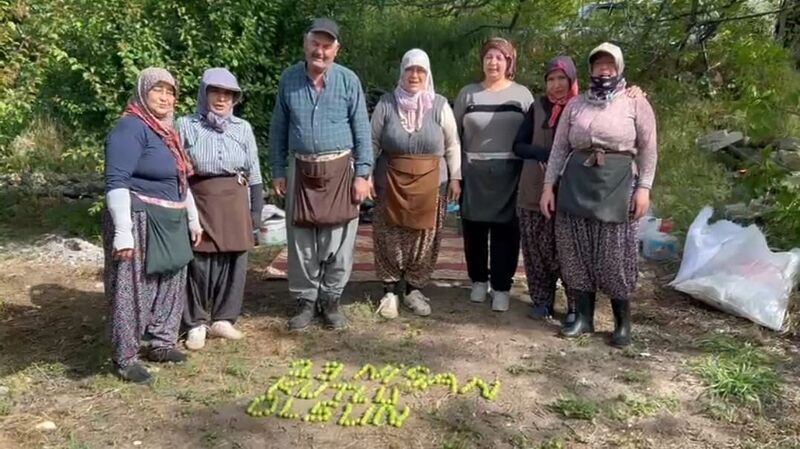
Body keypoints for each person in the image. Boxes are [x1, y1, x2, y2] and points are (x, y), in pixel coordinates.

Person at [540, 42, 657, 347]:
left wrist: (643, 188)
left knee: (614, 253)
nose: (603, 70)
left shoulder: (635, 103)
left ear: (619, 68)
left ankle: (622, 323)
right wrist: (547, 187)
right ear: (590, 69)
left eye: (609, 64)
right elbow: (559, 149)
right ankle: (583, 317)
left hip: (617, 182)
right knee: (574, 250)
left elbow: (648, 149)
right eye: (598, 65)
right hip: (576, 182)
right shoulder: (576, 105)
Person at [514, 57, 644, 325]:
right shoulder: (538, 107)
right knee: (537, 250)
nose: (556, 85)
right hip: (537, 185)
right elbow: (519, 145)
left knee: (570, 251)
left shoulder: (587, 105)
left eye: (562, 78)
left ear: (573, 79)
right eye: (551, 79)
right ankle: (542, 301)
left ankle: (577, 308)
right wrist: (547, 154)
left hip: (578, 189)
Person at [269, 18, 372, 330]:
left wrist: (363, 174)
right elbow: (278, 130)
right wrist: (277, 170)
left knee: (339, 239)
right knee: (301, 239)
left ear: (336, 50)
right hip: (300, 168)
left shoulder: (348, 81)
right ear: (306, 43)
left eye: (327, 45)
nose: (321, 51)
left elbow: (363, 131)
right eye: (316, 43)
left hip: (341, 169)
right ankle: (306, 301)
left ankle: (331, 301)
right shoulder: (289, 79)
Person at [103, 67, 203, 383]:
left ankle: (161, 343)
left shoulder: (168, 132)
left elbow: (180, 179)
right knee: (133, 288)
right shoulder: (130, 128)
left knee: (172, 279)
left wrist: (192, 218)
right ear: (143, 93)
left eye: (170, 91)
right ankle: (126, 357)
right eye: (157, 90)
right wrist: (122, 232)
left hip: (170, 217)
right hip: (138, 216)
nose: (164, 97)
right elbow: (116, 180)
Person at [370, 49, 461, 319]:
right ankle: (389, 290)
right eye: (410, 69)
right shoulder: (386, 104)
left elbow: (452, 143)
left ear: (427, 74)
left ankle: (413, 289)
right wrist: (364, 175)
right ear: (402, 72)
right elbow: (372, 141)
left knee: (424, 237)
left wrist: (456, 177)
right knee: (389, 235)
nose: (415, 75)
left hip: (432, 183)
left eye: (420, 70)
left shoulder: (441, 105)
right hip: (390, 182)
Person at [177, 68, 263, 350]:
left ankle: (225, 318)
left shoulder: (243, 128)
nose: (222, 99)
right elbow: (178, 170)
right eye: (216, 92)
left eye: (228, 94)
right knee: (199, 259)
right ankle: (196, 322)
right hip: (201, 197)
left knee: (235, 258)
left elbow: (255, 172)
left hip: (235, 197)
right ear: (204, 93)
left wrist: (255, 212)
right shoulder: (186, 125)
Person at [454, 37, 534, 312]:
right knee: (474, 229)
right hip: (474, 171)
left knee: (506, 232)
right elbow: (454, 137)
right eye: (489, 56)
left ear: (509, 62)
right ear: (482, 61)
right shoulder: (468, 94)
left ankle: (501, 286)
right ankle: (478, 281)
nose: (493, 62)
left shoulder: (522, 95)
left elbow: (533, 134)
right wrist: (456, 173)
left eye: (499, 57)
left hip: (511, 172)